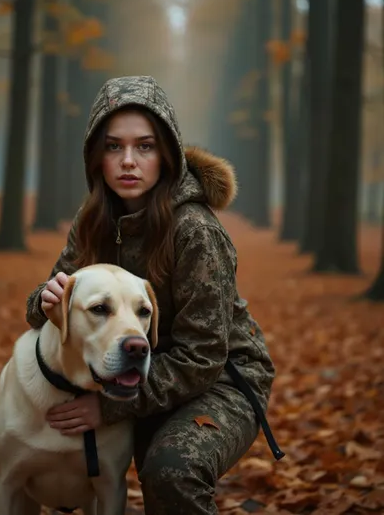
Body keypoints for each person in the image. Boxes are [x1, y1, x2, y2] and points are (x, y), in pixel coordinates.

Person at [26, 75, 276, 515]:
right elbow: (49, 306)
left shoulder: (194, 230)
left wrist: (107, 406)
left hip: (220, 381)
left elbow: (203, 357)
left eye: (144, 146)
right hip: (125, 369)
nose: (128, 161)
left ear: (166, 155)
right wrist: (44, 301)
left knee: (171, 470)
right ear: (95, 157)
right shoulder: (92, 219)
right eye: (113, 146)